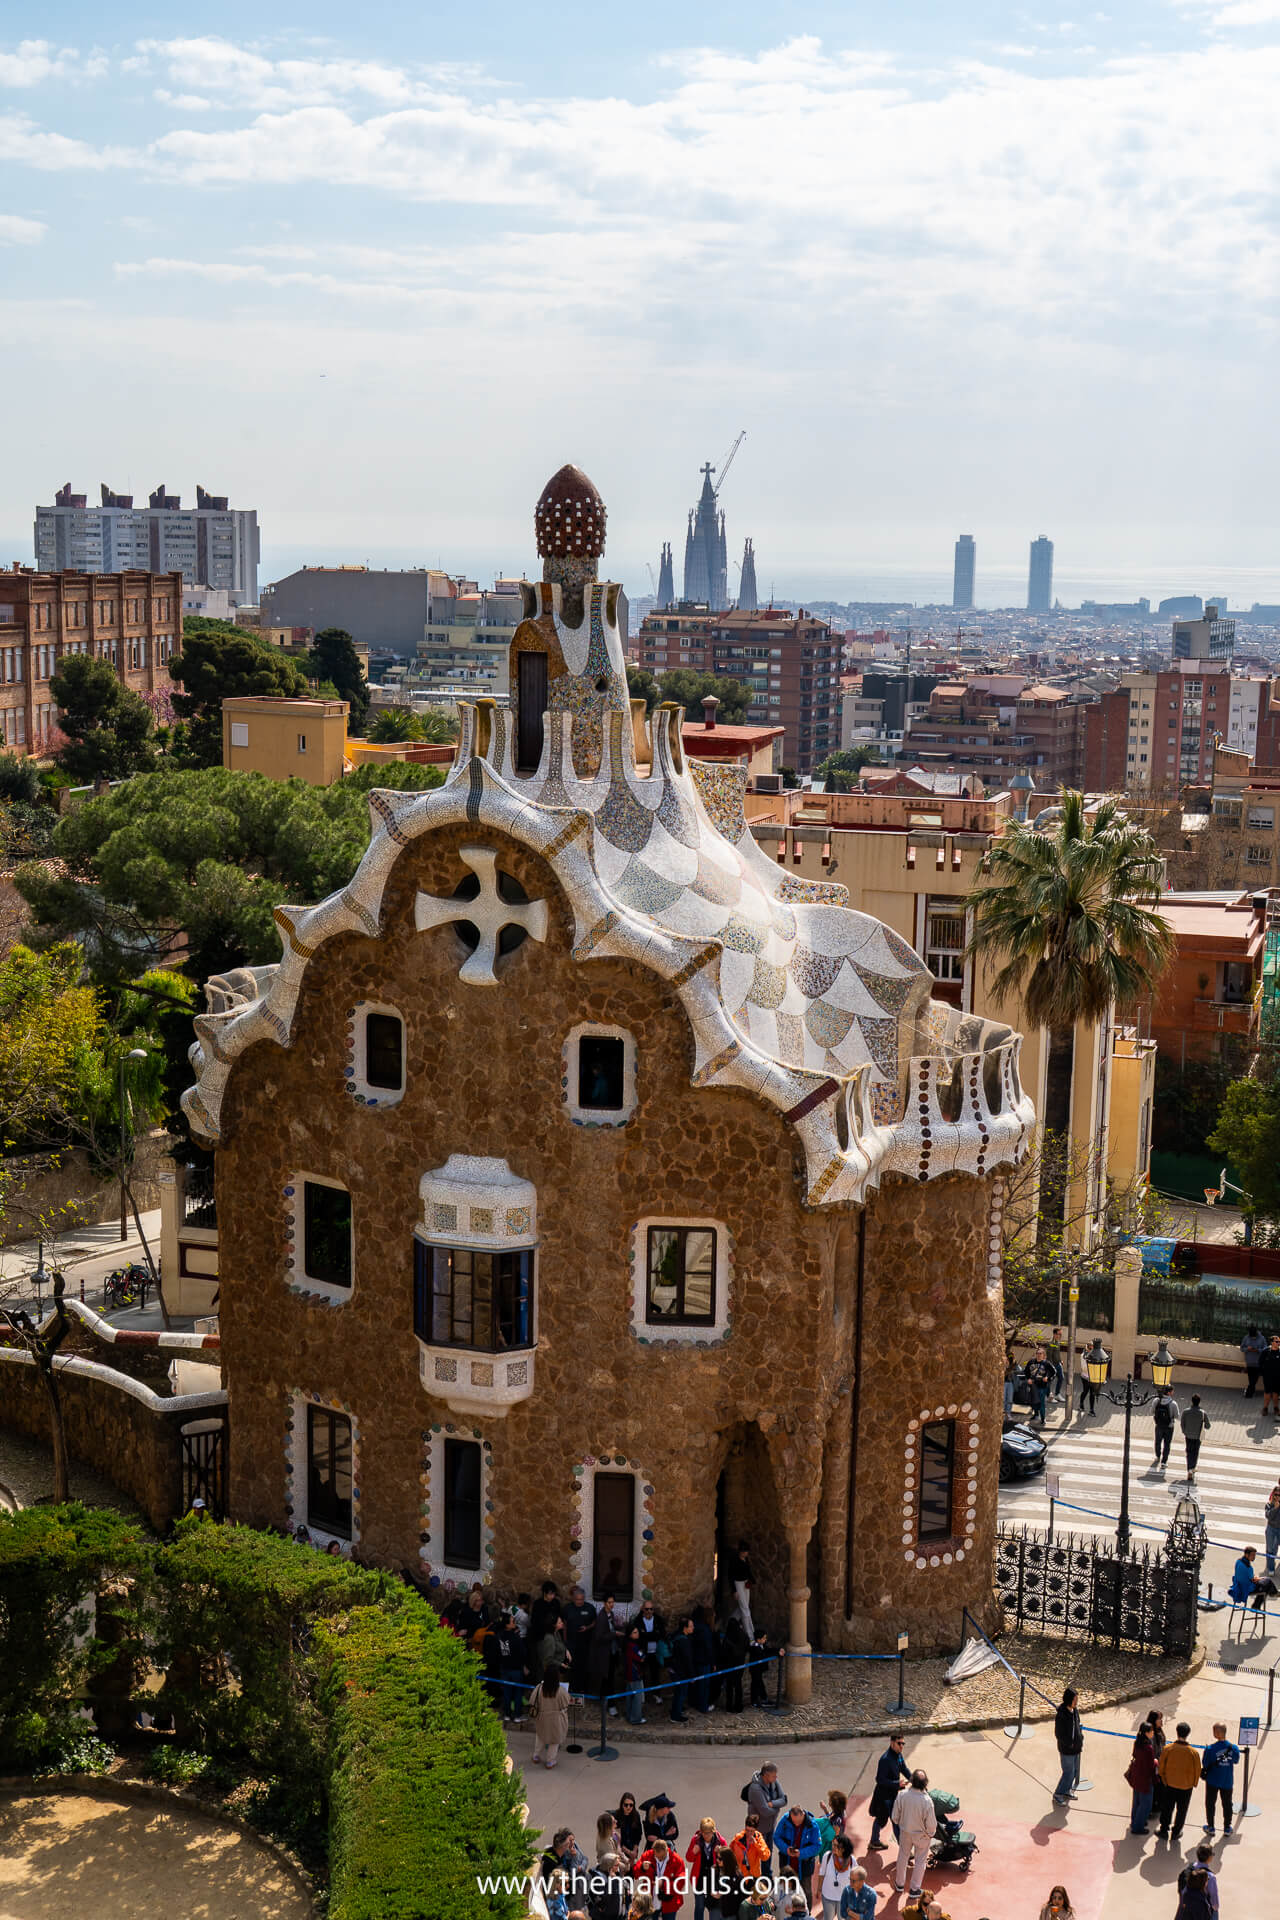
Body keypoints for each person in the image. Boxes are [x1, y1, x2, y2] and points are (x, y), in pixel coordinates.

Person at [891, 1769, 936, 1899]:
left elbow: (895, 1817)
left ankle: (899, 1884)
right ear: (925, 1784)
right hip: (921, 1835)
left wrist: (902, 1824)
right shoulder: (927, 1801)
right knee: (920, 1861)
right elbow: (932, 1825)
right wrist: (930, 1834)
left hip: (905, 1832)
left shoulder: (902, 1795)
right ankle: (914, 1889)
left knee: (902, 1857)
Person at [1157, 1721, 1201, 1841]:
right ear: (1188, 1734)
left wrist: (1164, 1779)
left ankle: (1164, 1830)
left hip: (1169, 1784)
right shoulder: (1194, 1753)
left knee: (1167, 1808)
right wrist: (1193, 1783)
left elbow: (1161, 1766)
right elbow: (1198, 1770)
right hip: (1186, 1787)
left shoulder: (1168, 1748)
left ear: (1177, 1732)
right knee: (1182, 1810)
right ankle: (1176, 1831)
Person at [867, 1733, 911, 1847]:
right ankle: (903, 1848)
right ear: (892, 1743)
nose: (901, 1746)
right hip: (884, 1796)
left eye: (903, 1743)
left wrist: (913, 1779)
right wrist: (897, 1783)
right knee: (890, 1820)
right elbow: (879, 1779)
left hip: (892, 1794)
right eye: (899, 1743)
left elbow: (904, 1769)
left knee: (888, 1819)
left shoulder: (899, 1755)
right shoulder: (885, 1759)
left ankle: (874, 1841)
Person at [775, 1805, 822, 1907]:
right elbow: (776, 1837)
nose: (796, 1824)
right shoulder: (785, 1820)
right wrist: (786, 1849)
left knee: (806, 1891)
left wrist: (801, 1853)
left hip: (804, 1866)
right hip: (787, 1864)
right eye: (794, 1821)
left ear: (803, 1815)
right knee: (784, 1889)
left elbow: (817, 1846)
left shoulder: (812, 1825)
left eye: (798, 1822)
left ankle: (807, 1913)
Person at [633, 1837, 687, 1920]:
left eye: (661, 1857)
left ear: (667, 1851)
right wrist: (642, 1867)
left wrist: (664, 1884)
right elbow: (636, 1874)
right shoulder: (648, 1855)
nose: (659, 1859)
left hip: (669, 1901)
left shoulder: (677, 1860)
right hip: (650, 1900)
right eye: (657, 1857)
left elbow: (681, 1882)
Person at [1200, 1722, 1240, 1836]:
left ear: (1216, 1733)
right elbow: (1236, 1760)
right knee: (1227, 1804)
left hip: (1212, 1780)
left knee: (1210, 1803)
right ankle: (1227, 1827)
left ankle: (1211, 1826)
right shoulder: (1234, 1748)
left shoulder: (1210, 1749)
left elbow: (1205, 1763)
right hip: (1227, 1781)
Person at [685, 1816, 728, 1920]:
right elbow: (688, 1858)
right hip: (699, 1878)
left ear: (713, 1831)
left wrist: (721, 1852)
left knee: (712, 1906)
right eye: (703, 1832)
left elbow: (727, 1860)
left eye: (708, 1833)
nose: (705, 1835)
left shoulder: (720, 1841)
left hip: (714, 1879)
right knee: (699, 1906)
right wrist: (693, 1852)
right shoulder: (695, 1840)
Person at [529, 1663, 570, 1768]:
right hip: (556, 1720)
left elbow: (532, 1700)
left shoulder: (539, 1688)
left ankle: (536, 1756)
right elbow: (566, 1703)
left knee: (541, 1737)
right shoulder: (561, 1691)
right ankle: (550, 1761)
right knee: (554, 1741)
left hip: (541, 1717)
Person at [744, 1763, 787, 1862]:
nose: (776, 1777)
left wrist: (772, 1803)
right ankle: (758, 1876)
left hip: (770, 1826)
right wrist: (777, 1808)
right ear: (766, 1775)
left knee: (768, 1853)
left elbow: (784, 1799)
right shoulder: (755, 1789)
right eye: (773, 1775)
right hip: (758, 1829)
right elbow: (765, 1811)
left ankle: (767, 1875)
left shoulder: (774, 1782)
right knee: (757, 1855)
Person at [588, 1593, 622, 1712]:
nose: (611, 1605)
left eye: (613, 1602)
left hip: (611, 1652)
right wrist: (614, 1634)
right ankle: (610, 1705)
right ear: (604, 1603)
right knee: (607, 1679)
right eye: (609, 1602)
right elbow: (599, 1637)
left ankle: (604, 1701)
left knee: (608, 1679)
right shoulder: (601, 1617)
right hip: (604, 1654)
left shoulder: (610, 1614)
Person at [1053, 1688, 1084, 1806]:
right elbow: (1059, 1734)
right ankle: (1058, 1794)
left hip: (1076, 1748)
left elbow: (1077, 1724)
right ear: (1069, 1700)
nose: (1076, 1702)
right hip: (1067, 1750)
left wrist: (1080, 1738)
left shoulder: (1074, 1711)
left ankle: (1066, 1791)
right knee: (1068, 1773)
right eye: (1075, 1699)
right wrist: (1069, 1744)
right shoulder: (1061, 1715)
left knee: (1074, 1772)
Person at [1126, 1723, 1158, 1833]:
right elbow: (1150, 1766)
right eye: (1151, 1731)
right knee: (1146, 1804)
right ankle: (1138, 1827)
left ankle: (1135, 1821)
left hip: (1136, 1776)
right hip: (1145, 1779)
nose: (1153, 1733)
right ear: (1146, 1733)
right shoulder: (1148, 1748)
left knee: (1137, 1801)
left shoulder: (1138, 1743)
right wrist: (1155, 1762)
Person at [1231, 1543, 1280, 1612]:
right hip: (1247, 1588)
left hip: (1239, 1585)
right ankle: (1260, 1603)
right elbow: (1253, 1580)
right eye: (1252, 1555)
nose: (1254, 1557)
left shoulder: (1238, 1561)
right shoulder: (1248, 1567)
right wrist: (1261, 1578)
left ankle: (1260, 1602)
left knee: (1265, 1584)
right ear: (1247, 1555)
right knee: (1267, 1582)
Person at [816, 1834, 855, 1919]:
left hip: (844, 1898)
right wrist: (819, 1889)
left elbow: (857, 1877)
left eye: (836, 1845)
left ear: (844, 1849)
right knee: (827, 1918)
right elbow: (822, 1873)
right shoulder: (827, 1856)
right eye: (833, 1844)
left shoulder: (852, 1860)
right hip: (828, 1896)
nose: (833, 1847)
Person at [1178, 1843, 1220, 1916]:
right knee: (1215, 1912)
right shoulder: (1210, 1877)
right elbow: (1214, 1902)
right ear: (1209, 1858)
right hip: (1201, 1911)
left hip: (1186, 1908)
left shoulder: (1189, 1869)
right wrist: (1215, 1910)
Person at [728, 1813, 769, 1883]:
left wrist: (756, 1844)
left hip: (754, 1876)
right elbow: (729, 1853)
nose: (749, 1833)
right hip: (741, 1875)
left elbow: (765, 1857)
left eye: (752, 1831)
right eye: (747, 1830)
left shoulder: (759, 1839)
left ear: (756, 1829)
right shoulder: (738, 1838)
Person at [721, 1610, 749, 1713]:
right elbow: (747, 1648)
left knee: (729, 1686)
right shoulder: (744, 1635)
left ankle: (729, 1706)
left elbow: (723, 1652)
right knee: (738, 1685)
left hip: (729, 1665)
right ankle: (738, 1706)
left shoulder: (727, 1638)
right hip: (739, 1664)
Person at [667, 1617, 694, 1722]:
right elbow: (688, 1660)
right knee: (681, 1693)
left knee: (678, 1692)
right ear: (685, 1628)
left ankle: (676, 1710)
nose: (693, 1628)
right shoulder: (684, 1641)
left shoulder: (675, 1635)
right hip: (680, 1672)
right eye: (691, 1626)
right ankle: (675, 1716)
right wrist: (691, 1676)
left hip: (673, 1669)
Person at [727, 1540, 755, 1636]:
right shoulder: (734, 1561)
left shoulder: (746, 1559)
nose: (746, 1553)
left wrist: (752, 1580)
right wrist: (734, 1591)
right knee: (745, 1609)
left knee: (744, 1607)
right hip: (738, 1584)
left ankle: (731, 1621)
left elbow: (748, 1571)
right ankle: (750, 1633)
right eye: (745, 1551)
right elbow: (730, 1576)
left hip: (745, 1584)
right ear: (741, 1551)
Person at [1180, 1395, 1210, 1479]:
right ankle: (1192, 1468)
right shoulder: (1202, 1413)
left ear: (1192, 1401)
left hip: (1188, 1435)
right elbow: (1208, 1426)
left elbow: (1182, 1423)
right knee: (1195, 1452)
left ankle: (1189, 1468)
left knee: (1189, 1452)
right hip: (1198, 1436)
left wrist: (1184, 1431)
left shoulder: (1186, 1412)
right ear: (1199, 1402)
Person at [624, 1624, 647, 1725]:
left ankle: (629, 1716)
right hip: (635, 1674)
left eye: (637, 1632)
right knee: (637, 1698)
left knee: (629, 1697)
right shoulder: (633, 1646)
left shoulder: (627, 1644)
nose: (637, 1634)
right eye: (634, 1632)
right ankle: (636, 1719)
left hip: (629, 1674)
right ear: (629, 1634)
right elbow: (641, 1658)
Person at [614, 1794, 644, 1869]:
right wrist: (629, 1852)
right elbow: (617, 1837)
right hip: (621, 1850)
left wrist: (634, 1851)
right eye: (626, 1805)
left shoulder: (635, 1815)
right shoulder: (617, 1815)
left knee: (631, 1873)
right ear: (622, 1805)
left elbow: (639, 1834)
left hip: (633, 1849)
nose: (628, 1807)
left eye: (631, 1805)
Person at [1152, 1386, 1179, 1469]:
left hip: (1159, 1425)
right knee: (1167, 1444)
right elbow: (1177, 1416)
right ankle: (1164, 1462)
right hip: (1169, 1426)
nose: (1173, 1393)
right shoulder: (1173, 1403)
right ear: (1168, 1393)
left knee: (1158, 1441)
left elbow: (1152, 1411)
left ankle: (1158, 1456)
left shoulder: (1156, 1400)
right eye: (1172, 1391)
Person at [1025, 1346, 1053, 1424]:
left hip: (1042, 1386)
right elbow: (1026, 1371)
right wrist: (1028, 1379)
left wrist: (1048, 1377)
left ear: (1043, 1355)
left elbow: (1054, 1372)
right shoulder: (1031, 1362)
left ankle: (1043, 1418)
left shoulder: (1046, 1363)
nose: (1039, 1355)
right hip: (1033, 1385)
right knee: (1034, 1401)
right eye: (1037, 1353)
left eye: (1040, 1353)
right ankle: (1036, 1414)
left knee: (1041, 1402)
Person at [747, 1626, 772, 1707]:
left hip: (759, 1670)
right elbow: (764, 1655)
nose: (766, 1640)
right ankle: (756, 1701)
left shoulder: (762, 1645)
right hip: (755, 1670)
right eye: (764, 1638)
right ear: (758, 1640)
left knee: (759, 1683)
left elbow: (768, 1650)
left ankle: (763, 1699)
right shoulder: (755, 1648)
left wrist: (778, 1651)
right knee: (756, 1684)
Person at [1241, 1325, 1267, 1398]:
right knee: (1251, 1378)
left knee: (1254, 1379)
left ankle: (1249, 1392)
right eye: (1251, 1337)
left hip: (1258, 1362)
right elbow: (1242, 1348)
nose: (1253, 1338)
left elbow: (1266, 1349)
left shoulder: (1262, 1338)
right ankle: (1251, 1391)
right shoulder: (1246, 1337)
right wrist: (1247, 1349)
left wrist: (1258, 1350)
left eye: (1254, 1337)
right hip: (1249, 1362)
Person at [1078, 1344, 1100, 1416]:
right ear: (1087, 1348)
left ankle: (1091, 1410)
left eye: (1092, 1349)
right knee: (1085, 1391)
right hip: (1085, 1377)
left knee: (1092, 1393)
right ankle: (1081, 1403)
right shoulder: (1083, 1356)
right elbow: (1084, 1368)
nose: (1091, 1350)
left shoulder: (1094, 1355)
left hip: (1093, 1377)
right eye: (1090, 1348)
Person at [1261, 1332, 1280, 1416]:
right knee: (1267, 1392)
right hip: (1267, 1376)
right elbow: (1260, 1362)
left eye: (1279, 1342)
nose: (1278, 1343)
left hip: (1277, 1377)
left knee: (1276, 1393)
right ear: (1272, 1342)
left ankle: (1276, 1408)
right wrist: (1263, 1373)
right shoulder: (1266, 1351)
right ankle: (1265, 1408)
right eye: (1277, 1342)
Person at [1266, 1481, 1280, 1576]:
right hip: (1272, 1529)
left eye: (1279, 1495)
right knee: (1271, 1549)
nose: (1277, 1496)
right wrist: (1275, 1508)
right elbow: (1268, 1516)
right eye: (1276, 1494)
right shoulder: (1269, 1505)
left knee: (1274, 1549)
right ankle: (1271, 1567)